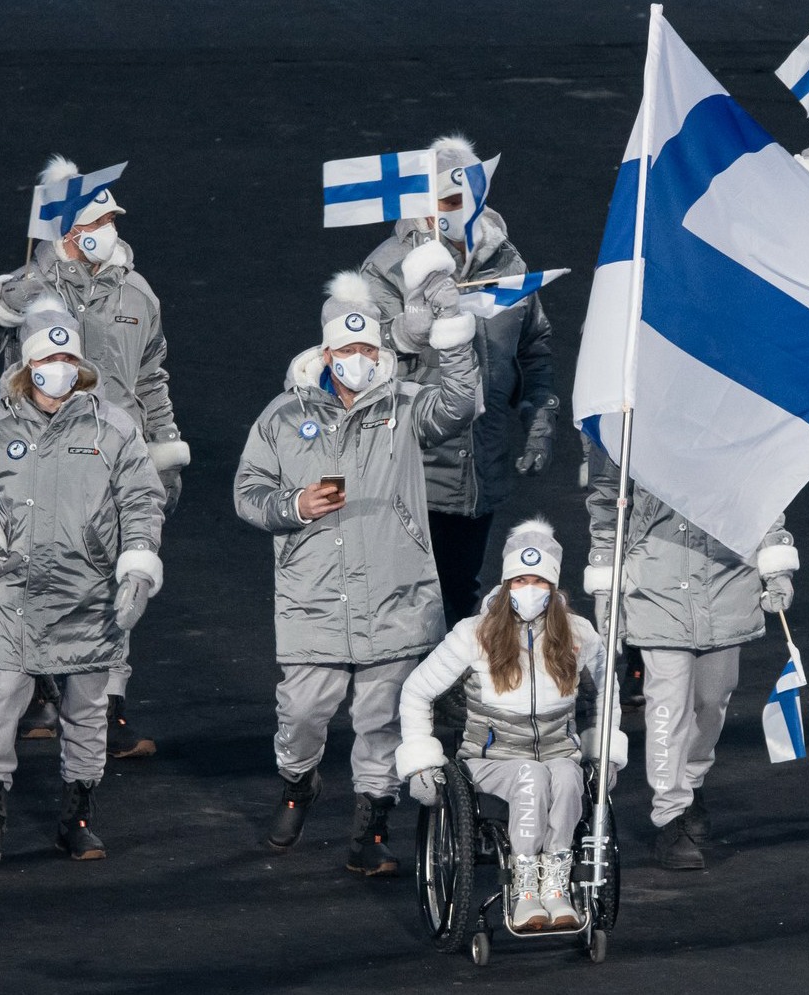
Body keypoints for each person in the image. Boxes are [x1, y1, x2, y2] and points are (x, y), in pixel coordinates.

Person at [234, 271, 478, 876]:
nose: (359, 360)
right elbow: (247, 490)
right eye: (347, 351)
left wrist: (452, 341)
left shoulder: (405, 407)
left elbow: (461, 404)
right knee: (302, 712)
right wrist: (293, 506)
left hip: (394, 594)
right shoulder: (282, 416)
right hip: (312, 595)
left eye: (369, 349)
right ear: (325, 354)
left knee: (382, 718)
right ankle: (298, 782)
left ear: (383, 352)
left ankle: (372, 819)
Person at [0, 155, 185, 757]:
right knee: (28, 569)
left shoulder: (139, 293)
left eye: (113, 218)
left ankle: (106, 711)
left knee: (117, 576)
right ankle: (35, 695)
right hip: (33, 454)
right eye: (102, 217)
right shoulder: (32, 285)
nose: (112, 227)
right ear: (69, 231)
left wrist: (165, 453)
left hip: (111, 459)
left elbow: (153, 377)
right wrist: (20, 291)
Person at [0, 297, 166, 862]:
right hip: (13, 593)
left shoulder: (114, 427)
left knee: (88, 708)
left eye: (70, 357)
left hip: (88, 592)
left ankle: (76, 813)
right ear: (27, 367)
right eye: (51, 358)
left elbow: (143, 501)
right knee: (1, 699)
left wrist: (138, 567)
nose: (62, 367)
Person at [360, 135, 557, 626]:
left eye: (467, 197)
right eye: (446, 200)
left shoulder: (508, 264)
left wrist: (540, 407)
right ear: (422, 205)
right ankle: (406, 698)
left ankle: (445, 694)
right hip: (412, 465)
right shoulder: (387, 268)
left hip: (480, 465)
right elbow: (360, 361)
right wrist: (407, 330)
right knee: (407, 596)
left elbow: (534, 346)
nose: (457, 210)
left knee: (459, 588)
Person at [397, 519, 624, 930]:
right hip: (491, 757)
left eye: (538, 580)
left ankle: (555, 884)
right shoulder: (473, 635)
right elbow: (416, 691)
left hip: (559, 751)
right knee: (531, 775)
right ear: (505, 584)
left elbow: (607, 695)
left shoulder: (579, 635)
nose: (529, 589)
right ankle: (524, 887)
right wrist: (420, 760)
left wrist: (603, 754)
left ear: (553, 586)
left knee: (570, 777)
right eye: (520, 580)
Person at [583, 447, 799, 871]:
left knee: (712, 699)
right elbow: (607, 501)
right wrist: (607, 584)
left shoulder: (729, 419)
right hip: (655, 581)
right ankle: (671, 815)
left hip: (725, 578)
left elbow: (763, 493)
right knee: (668, 705)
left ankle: (693, 780)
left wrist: (776, 567)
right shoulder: (630, 420)